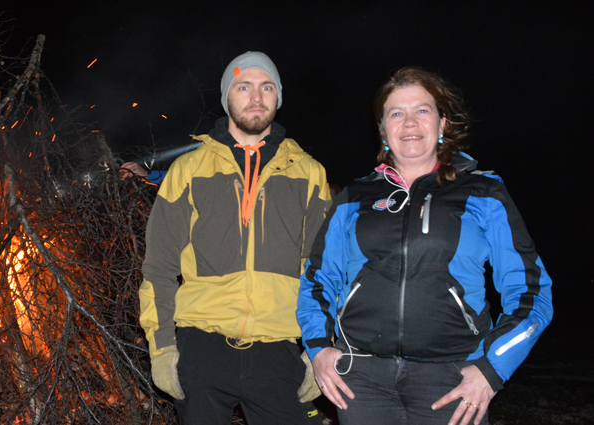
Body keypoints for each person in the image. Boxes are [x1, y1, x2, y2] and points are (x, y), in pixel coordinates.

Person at [297, 67, 554, 425]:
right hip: (361, 380)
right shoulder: (354, 198)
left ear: (442, 123)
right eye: (396, 113)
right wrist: (320, 349)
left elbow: (531, 292)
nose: (410, 122)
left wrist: (493, 369)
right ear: (383, 129)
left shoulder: (483, 192)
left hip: (453, 378)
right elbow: (317, 282)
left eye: (422, 110)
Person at [139, 51, 331, 424]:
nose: (256, 98)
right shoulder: (189, 170)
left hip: (280, 350)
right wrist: (162, 348)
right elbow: (159, 266)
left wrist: (319, 348)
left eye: (267, 87)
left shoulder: (308, 174)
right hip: (202, 348)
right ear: (228, 96)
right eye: (244, 87)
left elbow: (322, 271)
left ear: (278, 97)